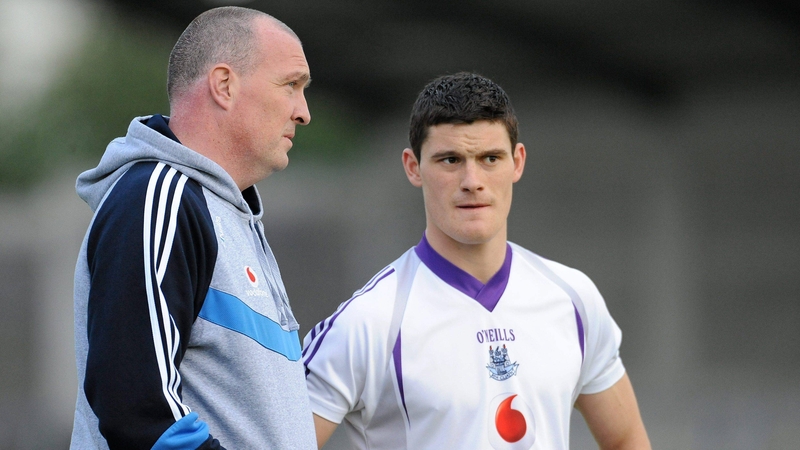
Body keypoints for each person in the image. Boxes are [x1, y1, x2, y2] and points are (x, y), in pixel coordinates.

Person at [302, 73, 651, 449]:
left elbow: (625, 439)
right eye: (450, 160)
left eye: (490, 158)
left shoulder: (574, 298)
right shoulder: (367, 321)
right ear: (413, 167)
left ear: (517, 162)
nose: (472, 180)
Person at [70, 6, 316, 449]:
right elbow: (140, 411)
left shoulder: (232, 218)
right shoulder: (159, 198)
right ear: (224, 85)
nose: (303, 112)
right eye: (291, 86)